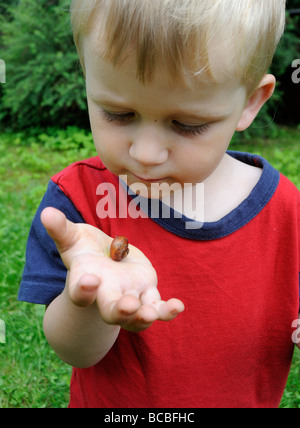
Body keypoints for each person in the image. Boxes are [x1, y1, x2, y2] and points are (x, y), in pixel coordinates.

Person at [18, 0, 300, 408]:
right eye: (118, 113)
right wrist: (88, 301)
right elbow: (74, 352)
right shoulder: (76, 203)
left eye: (187, 124)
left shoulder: (288, 213)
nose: (147, 154)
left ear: (251, 102)